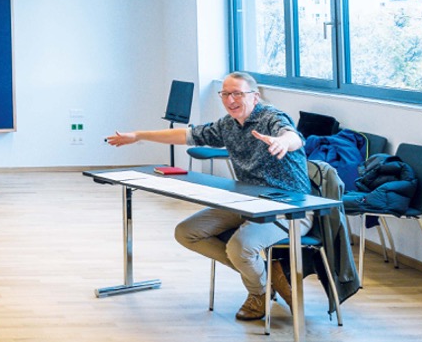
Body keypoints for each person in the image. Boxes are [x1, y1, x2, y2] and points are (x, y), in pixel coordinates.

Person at [105, 71, 310, 321]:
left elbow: (292, 136)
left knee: (240, 248)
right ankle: (265, 275)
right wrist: (138, 136)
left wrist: (283, 143)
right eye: (225, 94)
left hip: (290, 208)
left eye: (237, 93)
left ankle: (259, 293)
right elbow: (186, 135)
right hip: (246, 203)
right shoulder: (227, 125)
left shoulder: (271, 117)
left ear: (255, 97)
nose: (230, 100)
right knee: (186, 232)